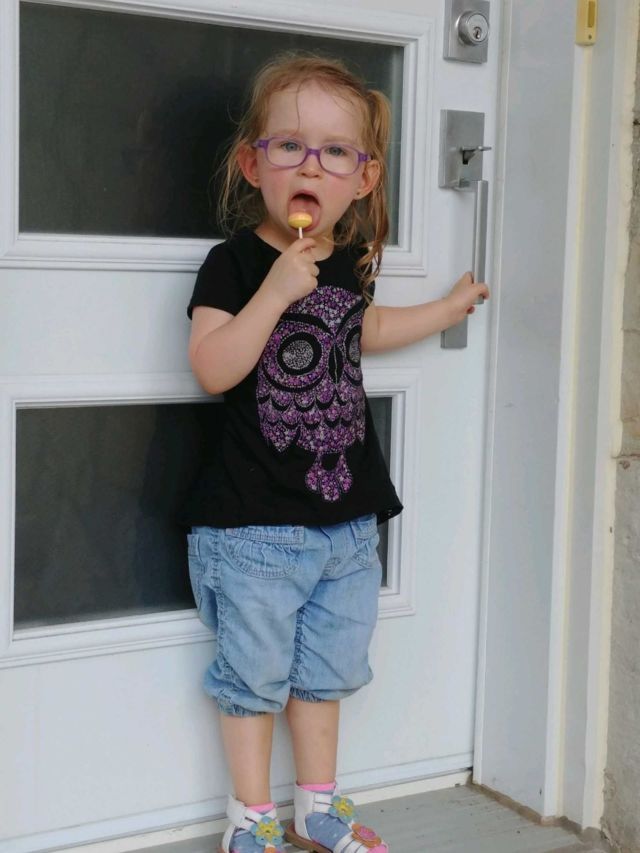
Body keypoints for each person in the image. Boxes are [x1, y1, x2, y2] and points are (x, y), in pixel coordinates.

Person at [184, 53, 490, 853]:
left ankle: (317, 808)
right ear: (253, 165)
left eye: (334, 151)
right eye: (289, 146)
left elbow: (366, 331)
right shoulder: (234, 263)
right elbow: (213, 365)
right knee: (253, 676)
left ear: (363, 178)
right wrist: (275, 292)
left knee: (326, 672)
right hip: (253, 525)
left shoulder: (349, 263)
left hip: (345, 521)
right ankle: (250, 819)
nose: (310, 165)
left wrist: (445, 309)